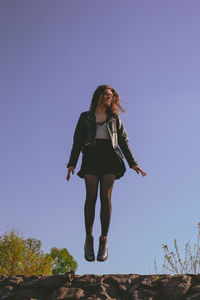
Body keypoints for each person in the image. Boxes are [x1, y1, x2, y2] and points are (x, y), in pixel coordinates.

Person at [66, 85, 146, 262]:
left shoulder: (114, 118)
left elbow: (123, 141)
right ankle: (89, 239)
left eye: (111, 96)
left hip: (110, 157)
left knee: (106, 197)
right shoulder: (85, 117)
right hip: (91, 156)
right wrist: (72, 163)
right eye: (106, 95)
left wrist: (133, 163)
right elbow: (77, 142)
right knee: (91, 197)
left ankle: (104, 240)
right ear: (98, 96)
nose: (109, 98)